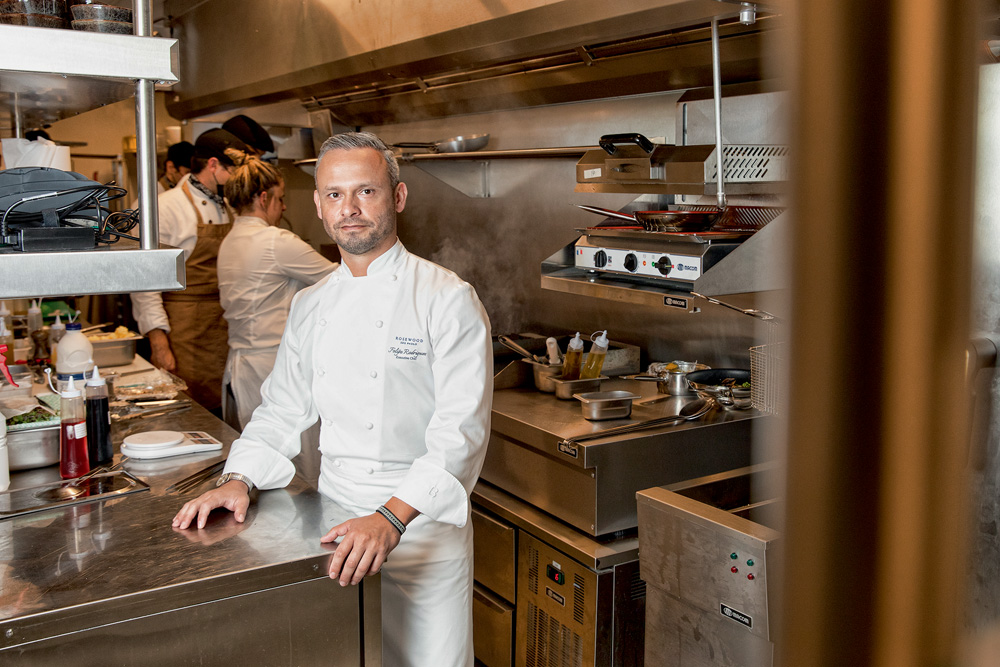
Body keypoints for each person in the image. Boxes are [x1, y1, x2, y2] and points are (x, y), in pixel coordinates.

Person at [173, 131, 493, 666]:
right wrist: (238, 478)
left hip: (420, 531)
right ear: (319, 207)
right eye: (335, 194)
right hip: (337, 528)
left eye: (366, 191)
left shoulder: (447, 298)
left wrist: (389, 519)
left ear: (398, 197)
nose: (350, 209)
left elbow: (460, 432)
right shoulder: (311, 304)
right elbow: (281, 409)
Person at [131, 128, 249, 413]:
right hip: (183, 330)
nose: (236, 180)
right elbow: (144, 283)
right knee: (191, 408)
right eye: (233, 171)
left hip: (223, 324)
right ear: (213, 165)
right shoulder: (164, 207)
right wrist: (158, 342)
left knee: (225, 406)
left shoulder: (230, 207)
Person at [218, 153, 337, 429]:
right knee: (291, 460)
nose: (283, 207)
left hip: (240, 368)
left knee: (258, 455)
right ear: (263, 198)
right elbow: (340, 279)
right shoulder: (275, 241)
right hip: (271, 369)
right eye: (280, 198)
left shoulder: (230, 239)